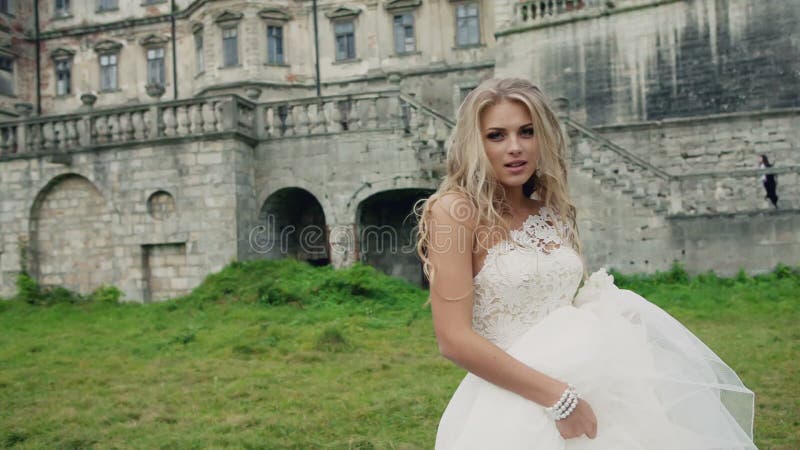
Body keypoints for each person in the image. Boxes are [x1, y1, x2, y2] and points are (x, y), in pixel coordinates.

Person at [414, 78, 757, 449]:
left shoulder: (550, 207)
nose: (515, 148)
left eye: (527, 132)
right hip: (517, 401)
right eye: (497, 135)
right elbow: (453, 339)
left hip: (593, 380)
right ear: (474, 143)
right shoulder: (453, 211)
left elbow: (552, 299)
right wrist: (559, 399)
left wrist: (603, 313)